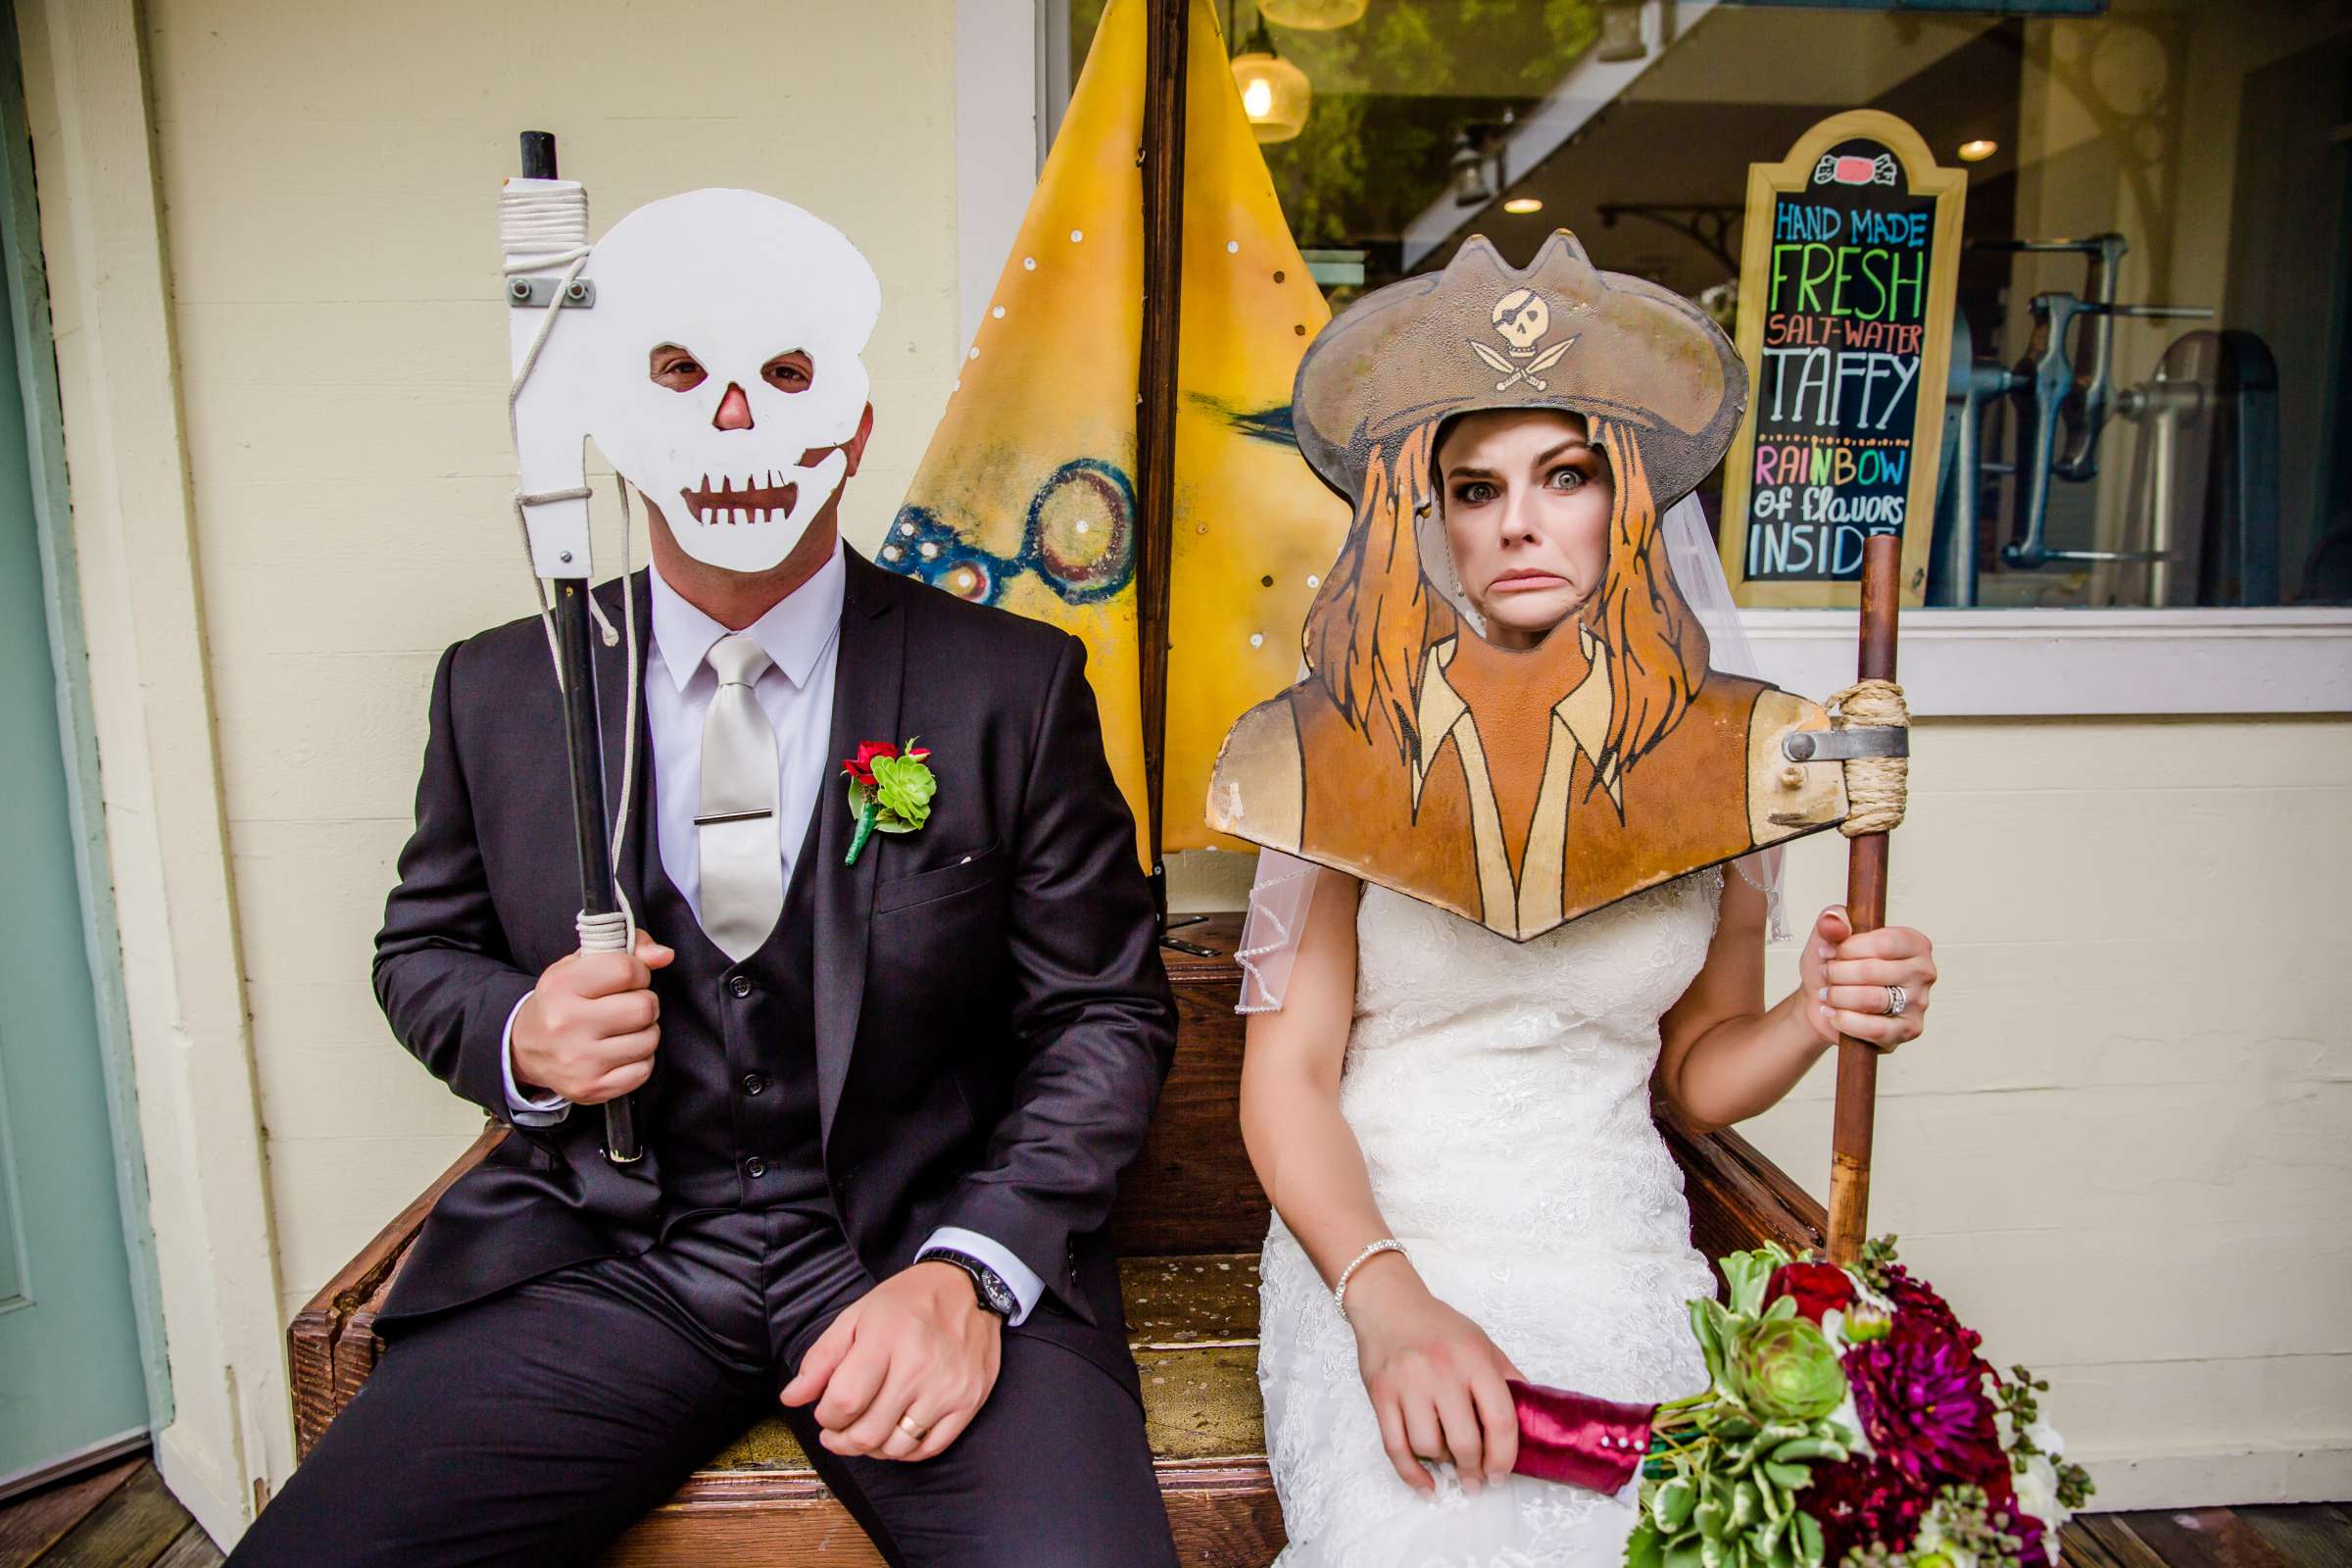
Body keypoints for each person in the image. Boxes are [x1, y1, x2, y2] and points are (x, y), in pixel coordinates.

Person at [230, 190, 1181, 1568]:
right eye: (685, 377)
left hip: (912, 1246)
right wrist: (520, 1033)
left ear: (851, 427)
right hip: (599, 1259)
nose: (736, 421)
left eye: (786, 378)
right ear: (621, 423)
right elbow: (418, 950)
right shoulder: (502, 688)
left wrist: (977, 1269)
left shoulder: (1010, 689)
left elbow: (1104, 1014)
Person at [1214, 234, 1939, 1566]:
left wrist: (1813, 1012)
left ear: (1633, 501)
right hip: (1376, 1237)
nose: (1518, 521)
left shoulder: (1732, 767)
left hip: (1617, 1249)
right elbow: (1288, 1083)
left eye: (1566, 476)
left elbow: (1692, 1080)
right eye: (1474, 488)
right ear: (1428, 519)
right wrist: (1385, 1300)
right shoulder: (1339, 753)